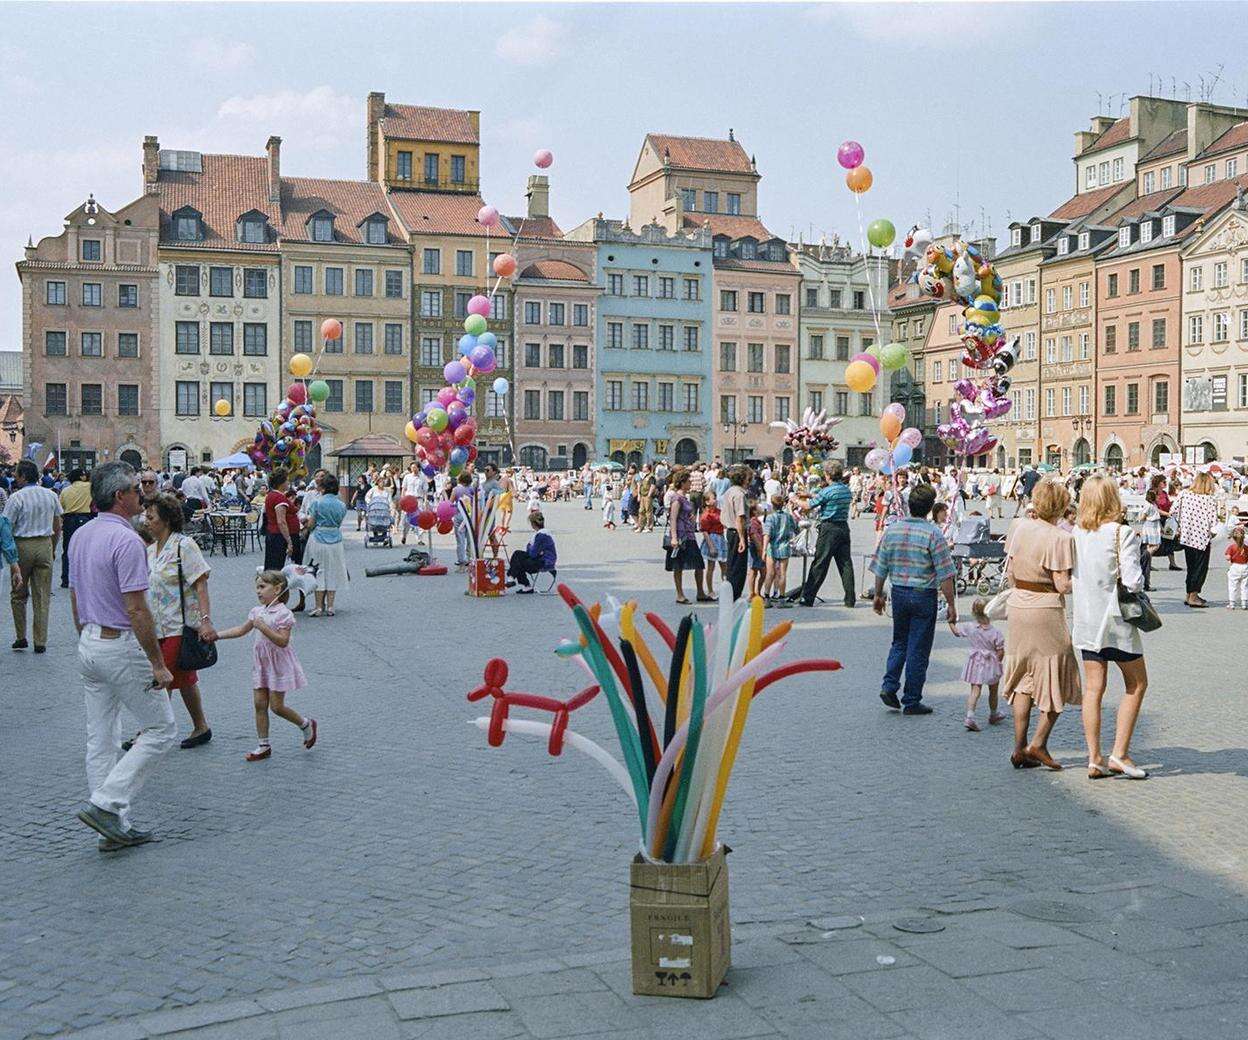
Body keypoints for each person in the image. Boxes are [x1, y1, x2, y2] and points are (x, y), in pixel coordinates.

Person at [69, 461, 176, 849]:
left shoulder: (80, 535)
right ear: (119, 496)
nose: (141, 494)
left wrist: (85, 635)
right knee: (162, 729)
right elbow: (136, 608)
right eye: (135, 489)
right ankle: (108, 804)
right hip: (118, 643)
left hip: (91, 642)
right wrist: (158, 663)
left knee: (101, 738)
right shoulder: (128, 540)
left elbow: (76, 595)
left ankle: (113, 823)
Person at [1071, 476, 1150, 780]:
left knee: (1093, 689)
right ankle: (1120, 752)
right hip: (1115, 623)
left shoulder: (1076, 533)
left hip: (1087, 623)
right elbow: (1132, 580)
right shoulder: (1122, 534)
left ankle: (1094, 758)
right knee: (1137, 684)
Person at [1000, 479, 1081, 771]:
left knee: (1024, 677)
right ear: (1061, 506)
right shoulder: (1060, 538)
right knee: (1056, 674)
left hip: (1018, 605)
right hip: (1045, 609)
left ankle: (1019, 747)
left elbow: (1009, 571)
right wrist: (1085, 582)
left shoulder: (1018, 526)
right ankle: (1039, 742)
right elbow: (1062, 584)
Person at [870, 483, 957, 715]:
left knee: (899, 641)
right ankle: (911, 699)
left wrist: (878, 594)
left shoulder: (893, 530)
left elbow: (881, 566)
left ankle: (889, 685)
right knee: (918, 648)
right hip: (923, 594)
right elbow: (946, 573)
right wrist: (951, 604)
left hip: (898, 592)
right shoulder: (933, 534)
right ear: (930, 508)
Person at [138, 493, 215, 750]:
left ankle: (151, 732)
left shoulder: (184, 545)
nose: (146, 521)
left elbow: (201, 585)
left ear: (167, 520)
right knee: (185, 678)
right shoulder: (149, 550)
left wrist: (205, 621)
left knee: (162, 678)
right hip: (155, 625)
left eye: (151, 517)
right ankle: (201, 726)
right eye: (145, 516)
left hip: (179, 625)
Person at [215, 570, 317, 762]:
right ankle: (263, 745)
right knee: (259, 704)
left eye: (262, 587)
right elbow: (241, 630)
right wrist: (217, 635)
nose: (258, 591)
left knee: (277, 707)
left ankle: (305, 724)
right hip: (261, 664)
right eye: (257, 587)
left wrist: (263, 628)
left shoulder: (284, 614)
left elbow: (283, 641)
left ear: (277, 589)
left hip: (278, 665)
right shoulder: (257, 611)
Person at [5, 458, 63, 652]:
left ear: (22, 476)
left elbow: (7, 526)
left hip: (22, 545)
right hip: (44, 543)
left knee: (18, 593)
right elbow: (57, 524)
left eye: (17, 474)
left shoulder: (16, 497)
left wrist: (10, 553)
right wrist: (52, 547)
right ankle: (40, 640)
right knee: (42, 594)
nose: (15, 477)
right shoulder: (50, 495)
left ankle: (21, 636)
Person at [796, 461, 855, 608]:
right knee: (845, 564)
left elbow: (808, 506)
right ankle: (850, 599)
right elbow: (825, 497)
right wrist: (810, 494)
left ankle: (808, 597)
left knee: (820, 563)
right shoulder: (846, 490)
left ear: (828, 475)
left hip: (829, 528)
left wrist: (795, 499)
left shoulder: (827, 491)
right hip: (843, 527)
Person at [953, 597, 1005, 731]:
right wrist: (998, 661)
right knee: (993, 690)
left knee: (975, 690)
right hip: (990, 663)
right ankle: (993, 714)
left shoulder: (970, 627)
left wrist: (950, 622)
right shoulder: (996, 633)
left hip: (975, 663)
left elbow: (957, 632)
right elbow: (1000, 652)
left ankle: (970, 717)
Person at [302, 473, 348, 617]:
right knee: (332, 571)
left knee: (319, 571)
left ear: (323, 487)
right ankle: (331, 606)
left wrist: (305, 522)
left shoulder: (317, 503)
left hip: (318, 538)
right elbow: (339, 523)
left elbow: (311, 524)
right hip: (336, 540)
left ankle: (318, 606)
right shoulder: (342, 505)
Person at [1171, 470, 1219, 608]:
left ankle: (1189, 594)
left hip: (1186, 536)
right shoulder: (1209, 499)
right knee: (1200, 568)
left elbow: (1173, 510)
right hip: (1202, 538)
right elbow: (1213, 521)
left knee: (1191, 567)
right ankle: (1193, 595)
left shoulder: (1184, 494)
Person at [664, 469, 708, 604]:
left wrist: (691, 518)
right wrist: (674, 537)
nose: (691, 484)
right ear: (682, 483)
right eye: (689, 482)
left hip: (689, 534)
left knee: (699, 564)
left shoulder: (684, 498)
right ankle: (680, 594)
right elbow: (673, 518)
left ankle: (700, 592)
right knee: (678, 565)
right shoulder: (676, 499)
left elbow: (685, 515)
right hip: (681, 535)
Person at [59, 468, 94, 589]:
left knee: (67, 549)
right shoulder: (89, 487)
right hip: (85, 519)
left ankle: (65, 578)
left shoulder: (65, 491)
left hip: (69, 520)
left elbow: (61, 507)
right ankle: (84, 578)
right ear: (81, 476)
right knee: (85, 549)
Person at [507, 511, 557, 593]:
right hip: (546, 560)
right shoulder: (546, 533)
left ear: (533, 524)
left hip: (544, 562)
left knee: (518, 558)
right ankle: (513, 578)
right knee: (518, 556)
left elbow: (532, 553)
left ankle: (514, 579)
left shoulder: (540, 536)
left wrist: (530, 546)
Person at [721, 465, 750, 600]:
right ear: (743, 478)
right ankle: (734, 595)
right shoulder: (739, 495)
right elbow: (740, 517)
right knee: (738, 567)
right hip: (737, 531)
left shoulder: (729, 491)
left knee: (731, 564)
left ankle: (730, 594)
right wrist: (742, 539)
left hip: (729, 530)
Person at [763, 494, 796, 607]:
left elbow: (767, 534)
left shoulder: (770, 518)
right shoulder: (787, 517)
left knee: (770, 573)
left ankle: (766, 598)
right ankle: (781, 599)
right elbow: (795, 528)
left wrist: (763, 549)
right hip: (784, 546)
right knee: (782, 573)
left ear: (772, 505)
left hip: (772, 547)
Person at [262, 468, 296, 571]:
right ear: (281, 483)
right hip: (278, 536)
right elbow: (281, 521)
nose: (288, 483)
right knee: (276, 566)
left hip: (272, 533)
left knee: (272, 565)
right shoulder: (279, 498)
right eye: (287, 480)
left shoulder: (272, 495)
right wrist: (289, 541)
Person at [698, 492, 726, 598]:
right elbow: (705, 531)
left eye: (715, 498)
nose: (715, 500)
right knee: (711, 567)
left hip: (721, 538)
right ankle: (710, 590)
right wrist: (711, 546)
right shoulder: (706, 515)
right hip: (712, 538)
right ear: (707, 502)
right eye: (713, 498)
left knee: (724, 565)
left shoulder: (719, 511)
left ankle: (726, 588)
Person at [747, 501, 766, 598]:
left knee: (762, 572)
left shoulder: (757, 521)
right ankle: (752, 593)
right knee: (754, 571)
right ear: (754, 511)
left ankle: (757, 592)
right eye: (758, 508)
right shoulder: (753, 522)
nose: (761, 509)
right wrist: (761, 549)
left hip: (759, 547)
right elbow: (754, 536)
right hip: (755, 548)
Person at [1226, 525, 1248, 609]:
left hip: (1235, 566)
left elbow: (1228, 557)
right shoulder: (1246, 548)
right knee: (1244, 586)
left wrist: (1229, 561)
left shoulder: (1232, 547)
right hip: (1245, 567)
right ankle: (1244, 603)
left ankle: (1232, 603)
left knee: (1232, 585)